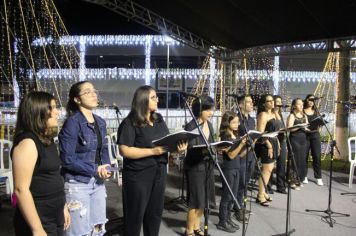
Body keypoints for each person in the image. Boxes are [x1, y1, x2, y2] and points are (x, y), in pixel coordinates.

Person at [117, 85, 187, 236]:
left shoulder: (159, 119)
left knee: (154, 215)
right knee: (134, 217)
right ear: (143, 100)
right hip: (138, 175)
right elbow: (124, 150)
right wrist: (152, 151)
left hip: (159, 173)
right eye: (153, 97)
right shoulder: (130, 122)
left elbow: (166, 144)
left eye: (156, 97)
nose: (157, 100)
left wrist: (177, 149)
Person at [11, 91, 70, 236]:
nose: (57, 112)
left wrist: (62, 207)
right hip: (39, 216)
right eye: (53, 108)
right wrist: (37, 229)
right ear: (39, 112)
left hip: (55, 212)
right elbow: (20, 190)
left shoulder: (46, 139)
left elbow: (53, 176)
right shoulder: (28, 142)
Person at [59, 81, 111, 236]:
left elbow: (104, 149)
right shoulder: (72, 123)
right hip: (77, 184)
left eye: (94, 90)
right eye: (87, 92)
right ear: (77, 99)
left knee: (98, 230)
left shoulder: (100, 122)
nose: (94, 94)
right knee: (79, 232)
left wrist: (106, 167)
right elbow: (67, 159)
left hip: (98, 183)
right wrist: (95, 169)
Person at [184, 95, 215, 236]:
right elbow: (190, 147)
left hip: (207, 165)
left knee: (204, 198)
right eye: (208, 109)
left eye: (212, 109)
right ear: (199, 109)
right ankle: (189, 230)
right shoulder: (191, 126)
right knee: (196, 200)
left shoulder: (209, 125)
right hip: (195, 167)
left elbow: (212, 143)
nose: (211, 113)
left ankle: (197, 226)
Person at [216, 111, 245, 233]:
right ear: (227, 123)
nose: (237, 124)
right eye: (234, 122)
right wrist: (241, 144)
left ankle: (228, 219)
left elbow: (240, 155)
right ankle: (222, 221)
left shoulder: (235, 135)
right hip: (228, 169)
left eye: (237, 122)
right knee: (227, 196)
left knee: (232, 196)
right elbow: (232, 155)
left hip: (237, 168)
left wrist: (249, 145)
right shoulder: (226, 137)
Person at [255, 94, 281, 206]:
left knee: (270, 170)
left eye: (272, 101)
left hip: (274, 141)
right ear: (264, 103)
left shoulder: (274, 114)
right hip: (266, 143)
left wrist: (278, 144)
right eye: (269, 101)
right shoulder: (263, 115)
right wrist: (269, 145)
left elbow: (278, 128)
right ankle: (260, 195)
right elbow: (260, 133)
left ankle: (264, 191)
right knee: (266, 170)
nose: (272, 103)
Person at [234, 95, 256, 220]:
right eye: (249, 102)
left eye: (252, 102)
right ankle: (238, 208)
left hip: (251, 155)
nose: (252, 104)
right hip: (241, 155)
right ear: (241, 105)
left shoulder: (252, 120)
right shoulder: (237, 119)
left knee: (245, 182)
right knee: (240, 182)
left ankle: (241, 204)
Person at [287, 98, 309, 190]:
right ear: (294, 106)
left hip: (303, 140)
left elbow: (307, 127)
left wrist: (310, 129)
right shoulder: (292, 116)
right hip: (294, 139)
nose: (301, 106)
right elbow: (289, 128)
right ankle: (292, 180)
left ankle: (299, 179)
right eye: (299, 104)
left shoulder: (304, 115)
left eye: (302, 104)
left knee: (301, 161)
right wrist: (299, 127)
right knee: (294, 160)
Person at [303, 94, 323, 186]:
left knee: (317, 156)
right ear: (306, 100)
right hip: (305, 135)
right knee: (305, 156)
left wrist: (321, 122)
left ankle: (318, 177)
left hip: (315, 134)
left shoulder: (316, 111)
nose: (311, 101)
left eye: (313, 100)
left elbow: (320, 123)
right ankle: (304, 176)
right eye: (310, 99)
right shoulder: (303, 111)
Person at [272, 95, 287, 194]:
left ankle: (280, 186)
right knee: (270, 165)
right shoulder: (269, 114)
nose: (279, 103)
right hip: (273, 140)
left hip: (282, 140)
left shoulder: (281, 114)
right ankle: (267, 185)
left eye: (280, 102)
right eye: (277, 101)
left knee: (282, 164)